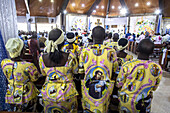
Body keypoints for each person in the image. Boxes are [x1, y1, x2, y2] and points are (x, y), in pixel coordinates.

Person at [116, 39, 162, 113]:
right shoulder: (156, 68)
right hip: (144, 103)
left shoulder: (128, 65)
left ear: (137, 49)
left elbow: (119, 84)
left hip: (127, 100)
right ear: (152, 52)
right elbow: (154, 87)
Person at [79, 26, 118, 113]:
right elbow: (115, 70)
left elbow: (81, 72)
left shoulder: (85, 51)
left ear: (92, 37)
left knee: (88, 108)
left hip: (87, 89)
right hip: (105, 89)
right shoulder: (111, 51)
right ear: (105, 37)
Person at [39, 28, 78, 113]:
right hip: (67, 93)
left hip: (49, 94)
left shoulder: (42, 57)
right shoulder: (70, 56)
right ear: (63, 42)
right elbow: (75, 71)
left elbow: (43, 73)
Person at [1, 38, 40, 112]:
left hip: (11, 94)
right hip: (27, 95)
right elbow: (35, 78)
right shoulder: (28, 66)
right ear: (22, 50)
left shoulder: (4, 63)